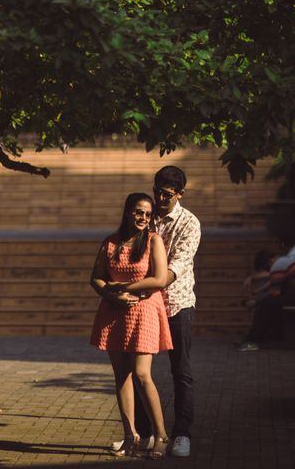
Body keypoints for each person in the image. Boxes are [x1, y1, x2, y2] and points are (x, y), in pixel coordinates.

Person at [120, 166, 200, 458]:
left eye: (167, 194)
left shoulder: (189, 223)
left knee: (181, 371)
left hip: (176, 304)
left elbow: (172, 270)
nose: (160, 198)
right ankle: (141, 433)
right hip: (144, 306)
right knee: (139, 372)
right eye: (157, 191)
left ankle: (182, 434)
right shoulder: (146, 214)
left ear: (180, 194)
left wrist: (131, 285)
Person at [90, 192, 173, 459]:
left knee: (141, 374)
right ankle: (130, 435)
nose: (143, 218)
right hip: (113, 311)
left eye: (148, 214)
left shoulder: (152, 240)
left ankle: (161, 435)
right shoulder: (111, 242)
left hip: (145, 309)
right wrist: (112, 294)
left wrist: (123, 287)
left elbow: (159, 279)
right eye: (139, 212)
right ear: (128, 211)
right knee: (121, 376)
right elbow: (97, 278)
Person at [236, 242, 295, 351]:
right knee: (268, 304)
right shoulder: (284, 262)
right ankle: (257, 338)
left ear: (270, 261)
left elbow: (274, 293)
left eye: (267, 269)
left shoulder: (278, 266)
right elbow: (274, 283)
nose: (269, 271)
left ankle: (252, 341)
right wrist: (257, 293)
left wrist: (256, 302)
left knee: (266, 305)